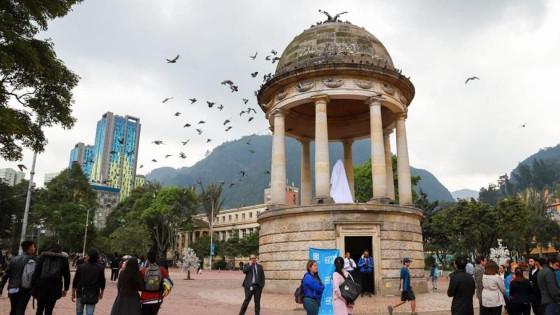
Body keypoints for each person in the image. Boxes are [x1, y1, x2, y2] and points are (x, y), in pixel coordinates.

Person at [31, 243, 71, 315]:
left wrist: (32, 286)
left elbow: (36, 273)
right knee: (49, 310)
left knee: (39, 308)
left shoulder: (42, 257)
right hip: (55, 288)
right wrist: (66, 289)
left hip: (41, 286)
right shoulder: (63, 259)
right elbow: (67, 275)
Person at [0, 240, 37, 315]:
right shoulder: (33, 260)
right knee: (20, 309)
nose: (34, 248)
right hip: (25, 290)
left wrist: (1, 286)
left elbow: (6, 274)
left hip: (12, 289)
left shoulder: (14, 259)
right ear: (29, 248)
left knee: (13, 309)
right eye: (33, 246)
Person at [72, 249, 106, 315]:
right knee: (90, 312)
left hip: (80, 292)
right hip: (93, 293)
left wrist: (73, 293)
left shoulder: (80, 267)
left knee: (79, 311)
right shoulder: (100, 268)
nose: (86, 257)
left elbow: (75, 281)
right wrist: (101, 293)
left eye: (87, 255)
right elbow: (102, 282)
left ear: (89, 257)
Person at [140, 251, 170, 315]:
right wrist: (163, 293)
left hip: (145, 299)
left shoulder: (143, 270)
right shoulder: (162, 270)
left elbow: (138, 284)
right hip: (157, 299)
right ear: (156, 259)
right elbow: (169, 283)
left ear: (148, 259)